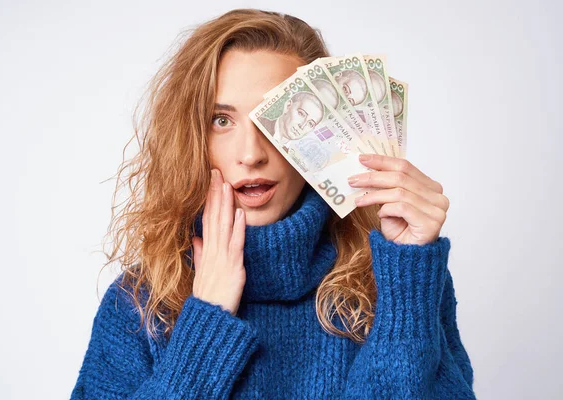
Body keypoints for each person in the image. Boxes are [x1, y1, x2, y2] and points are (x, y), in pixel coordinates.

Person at [70, 8, 476, 400]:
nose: (251, 154)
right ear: (191, 138)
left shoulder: (399, 279)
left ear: (327, 129)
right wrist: (207, 320)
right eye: (222, 120)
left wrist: (408, 278)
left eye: (272, 119)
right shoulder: (141, 302)